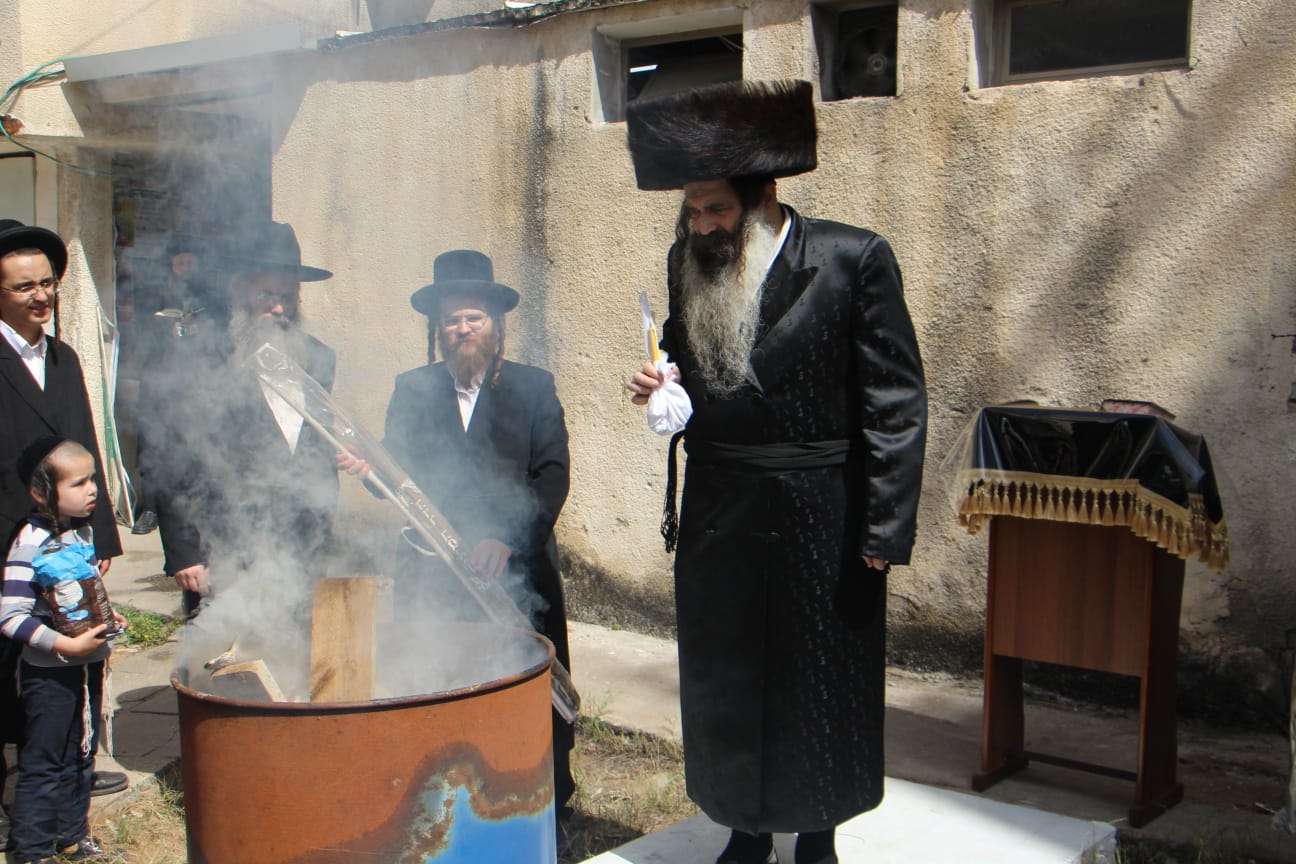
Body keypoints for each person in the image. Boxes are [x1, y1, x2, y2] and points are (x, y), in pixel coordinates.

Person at [624, 80, 928, 864]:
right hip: (721, 507)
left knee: (818, 680)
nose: (702, 226)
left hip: (823, 510)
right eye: (693, 210)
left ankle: (816, 833)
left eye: (717, 209)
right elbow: (693, 367)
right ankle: (746, 828)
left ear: (764, 196)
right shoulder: (686, 261)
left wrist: (884, 528)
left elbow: (894, 400)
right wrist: (666, 387)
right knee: (728, 677)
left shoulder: (851, 258)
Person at [337, 249, 575, 820]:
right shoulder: (414, 387)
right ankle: (441, 800)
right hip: (431, 569)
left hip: (515, 569)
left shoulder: (532, 387)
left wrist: (504, 537)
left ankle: (544, 799)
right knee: (437, 679)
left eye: (474, 317)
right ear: (436, 329)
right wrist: (372, 474)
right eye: (451, 320)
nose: (463, 329)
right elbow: (397, 471)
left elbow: (552, 475)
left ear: (496, 324)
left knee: (525, 688)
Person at [0, 220, 129, 819]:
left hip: (68, 547)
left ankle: (68, 771)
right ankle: (20, 791)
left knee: (74, 661)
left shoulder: (64, 355)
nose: (40, 296)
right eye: (23, 286)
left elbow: (84, 444)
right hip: (10, 545)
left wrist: (99, 532)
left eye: (47, 283)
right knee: (11, 668)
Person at [150, 221, 339, 618]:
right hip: (226, 547)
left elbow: (314, 445)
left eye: (288, 296)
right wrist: (186, 552)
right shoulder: (202, 357)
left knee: (295, 658)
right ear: (239, 292)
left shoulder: (319, 357)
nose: (278, 307)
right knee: (227, 666)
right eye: (266, 295)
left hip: (301, 544)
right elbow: (171, 455)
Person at [0, 437, 129, 864]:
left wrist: (109, 618)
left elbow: (82, 595)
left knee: (82, 752)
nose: (92, 489)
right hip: (50, 675)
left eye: (93, 479)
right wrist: (65, 644)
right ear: (42, 492)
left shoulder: (81, 532)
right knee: (45, 760)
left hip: (86, 667)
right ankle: (32, 851)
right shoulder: (29, 541)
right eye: (78, 482)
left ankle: (72, 836)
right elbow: (11, 616)